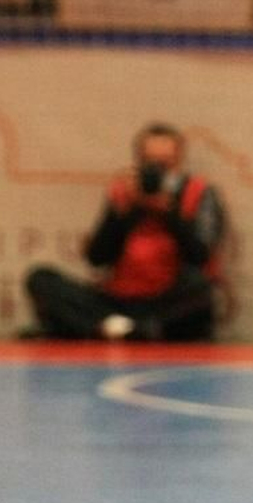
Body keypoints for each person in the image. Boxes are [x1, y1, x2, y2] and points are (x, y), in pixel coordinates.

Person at [24, 122, 226, 342]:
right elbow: (97, 258)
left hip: (168, 300)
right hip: (118, 298)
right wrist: (125, 214)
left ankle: (111, 329)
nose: (156, 171)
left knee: (201, 290)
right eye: (150, 163)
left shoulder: (200, 192)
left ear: (179, 160)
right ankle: (129, 330)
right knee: (41, 279)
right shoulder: (123, 194)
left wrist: (168, 213)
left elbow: (201, 255)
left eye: (165, 164)